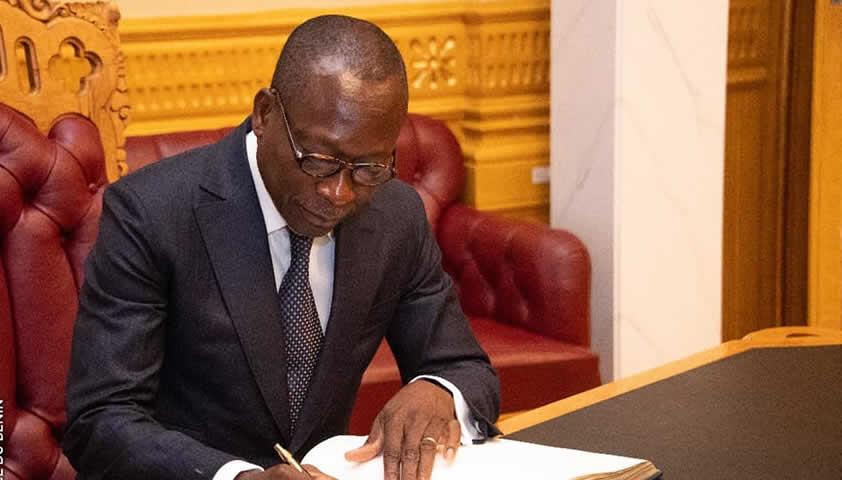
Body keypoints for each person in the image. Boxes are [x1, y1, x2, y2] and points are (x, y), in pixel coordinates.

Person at [63, 14, 500, 480]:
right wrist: (237, 477)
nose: (339, 193)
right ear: (265, 113)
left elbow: (464, 367)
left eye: (369, 168)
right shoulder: (152, 213)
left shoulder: (396, 215)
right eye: (318, 160)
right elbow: (101, 420)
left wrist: (438, 390)